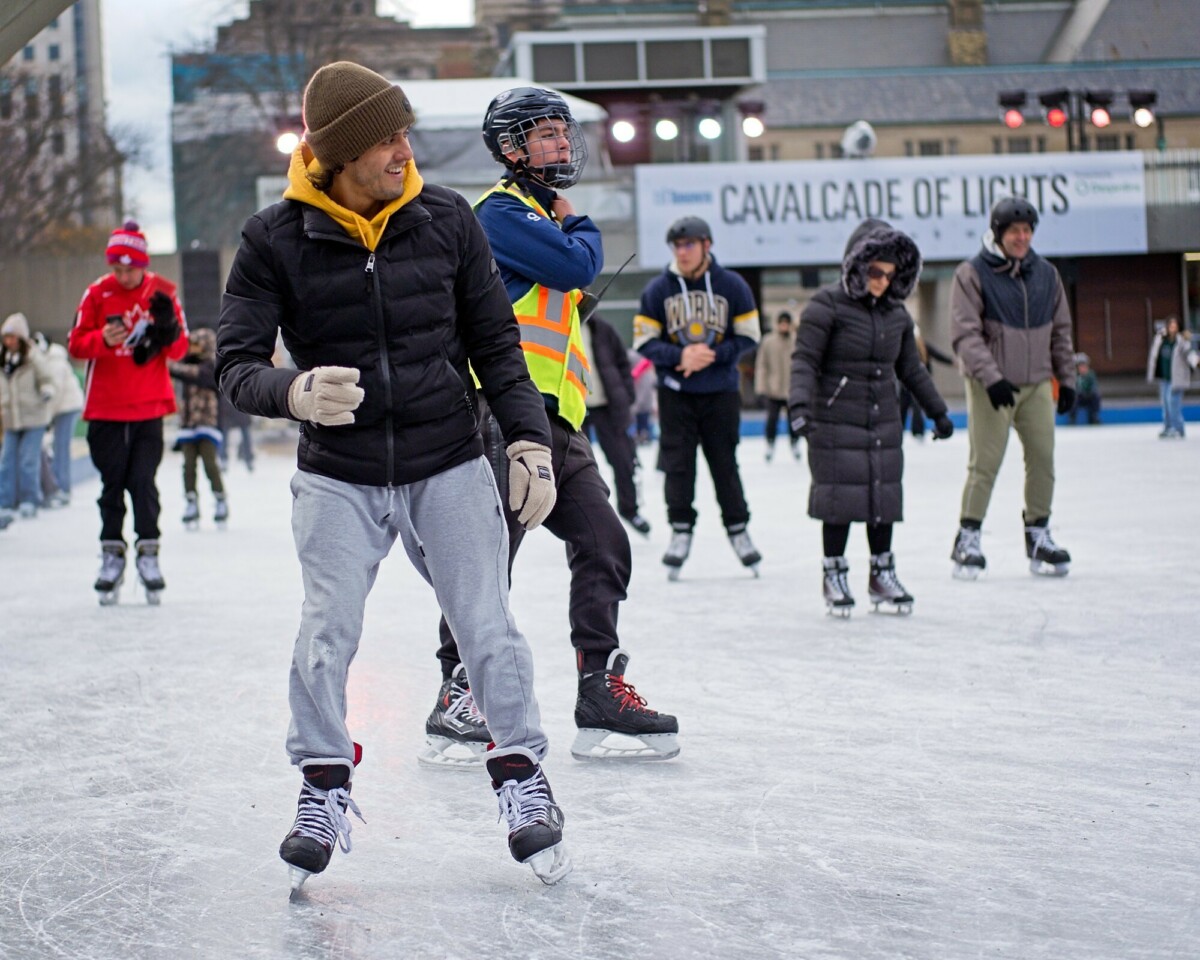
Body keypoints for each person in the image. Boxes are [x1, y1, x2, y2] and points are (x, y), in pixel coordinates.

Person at [215, 62, 570, 888]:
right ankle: (323, 784)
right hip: (337, 470)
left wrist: (527, 441)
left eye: (405, 134)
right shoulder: (274, 238)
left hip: (446, 455)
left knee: (486, 625)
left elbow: (497, 347)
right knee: (326, 629)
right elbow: (234, 367)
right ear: (340, 153)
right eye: (388, 140)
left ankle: (522, 776)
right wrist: (294, 391)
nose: (405, 152)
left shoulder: (446, 219)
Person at [423, 85, 677, 768]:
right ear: (511, 148)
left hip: (560, 420)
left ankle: (598, 685)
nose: (564, 145)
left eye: (566, 133)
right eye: (547, 134)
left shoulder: (539, 217)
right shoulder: (501, 214)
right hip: (501, 415)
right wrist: (579, 220)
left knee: (604, 542)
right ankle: (456, 689)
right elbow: (577, 264)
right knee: (487, 557)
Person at [789, 219, 953, 617]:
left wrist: (938, 412)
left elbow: (912, 370)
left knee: (883, 497)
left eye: (890, 272)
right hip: (833, 419)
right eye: (875, 271)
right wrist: (798, 408)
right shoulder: (825, 305)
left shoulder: (897, 315)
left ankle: (882, 573)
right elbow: (805, 361)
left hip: (882, 419)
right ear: (857, 265)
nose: (882, 280)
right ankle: (834, 574)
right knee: (838, 499)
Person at [949, 196, 1077, 579]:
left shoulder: (1046, 274)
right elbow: (965, 335)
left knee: (1043, 459)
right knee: (985, 463)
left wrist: (1066, 378)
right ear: (998, 233)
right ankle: (967, 538)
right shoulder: (971, 274)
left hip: (1036, 383)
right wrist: (991, 378)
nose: (1022, 238)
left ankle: (1038, 533)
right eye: (1014, 231)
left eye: (1027, 231)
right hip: (992, 385)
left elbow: (1061, 332)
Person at [634, 216, 763, 579]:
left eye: (689, 244)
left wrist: (714, 355)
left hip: (721, 392)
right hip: (676, 395)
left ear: (707, 245)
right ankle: (680, 530)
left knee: (725, 463)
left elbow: (750, 334)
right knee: (678, 465)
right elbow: (644, 341)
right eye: (677, 245)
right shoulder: (657, 290)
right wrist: (680, 357)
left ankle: (738, 529)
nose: (683, 251)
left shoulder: (732, 285)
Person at [67, 222, 188, 603]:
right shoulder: (97, 293)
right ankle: (112, 554)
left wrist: (168, 328)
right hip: (105, 408)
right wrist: (101, 339)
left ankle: (149, 553)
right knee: (112, 485)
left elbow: (181, 350)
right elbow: (75, 345)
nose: (123, 276)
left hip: (149, 405)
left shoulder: (163, 292)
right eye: (117, 269)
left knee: (143, 482)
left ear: (143, 264)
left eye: (130, 269)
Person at [581, 312, 650, 535]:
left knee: (623, 460)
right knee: (580, 468)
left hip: (608, 406)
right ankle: (588, 517)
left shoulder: (602, 327)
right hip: (573, 410)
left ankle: (631, 510)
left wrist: (626, 395)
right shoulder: (558, 326)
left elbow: (622, 362)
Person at [167, 327, 227, 527]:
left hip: (207, 424)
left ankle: (220, 499)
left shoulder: (212, 367)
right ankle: (191, 501)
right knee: (188, 466)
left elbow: (196, 375)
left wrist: (169, 365)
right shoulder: (186, 363)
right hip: (188, 425)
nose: (191, 348)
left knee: (210, 465)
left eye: (196, 344)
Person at [0, 312, 55, 527]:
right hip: (12, 418)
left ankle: (30, 499)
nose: (9, 341)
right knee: (6, 460)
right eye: (6, 337)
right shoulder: (3, 359)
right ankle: (5, 501)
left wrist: (46, 391)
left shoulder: (33, 357)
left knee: (28, 461)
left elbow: (47, 379)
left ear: (21, 338)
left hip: (33, 416)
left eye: (13, 337)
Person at [38, 333, 84, 506]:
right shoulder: (49, 360)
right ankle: (59, 487)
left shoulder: (54, 362)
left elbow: (54, 393)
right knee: (58, 447)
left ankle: (62, 489)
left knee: (61, 447)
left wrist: (46, 419)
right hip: (62, 408)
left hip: (67, 408)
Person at [754, 310, 801, 463]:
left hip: (792, 389)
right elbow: (762, 365)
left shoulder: (796, 341)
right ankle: (770, 444)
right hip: (773, 389)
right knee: (772, 420)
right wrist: (761, 387)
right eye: (782, 323)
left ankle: (795, 444)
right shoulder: (768, 342)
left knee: (793, 420)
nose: (784, 326)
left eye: (786, 324)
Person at [898, 325, 953, 439]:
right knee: (904, 407)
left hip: (915, 383)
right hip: (906, 383)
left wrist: (951, 361)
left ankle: (915, 431)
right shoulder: (903, 346)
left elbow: (938, 355)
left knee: (912, 407)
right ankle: (907, 431)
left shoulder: (923, 347)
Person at [1146, 317, 1195, 439]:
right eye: (1170, 326)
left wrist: (1196, 361)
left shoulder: (1181, 342)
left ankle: (1178, 428)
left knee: (1173, 403)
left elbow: (1190, 354)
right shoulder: (1161, 339)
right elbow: (1154, 356)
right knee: (1165, 404)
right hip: (1164, 377)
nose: (1172, 329)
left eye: (1175, 326)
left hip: (1176, 379)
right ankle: (1168, 427)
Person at [629, 348, 657, 444]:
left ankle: (643, 434)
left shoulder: (646, 371)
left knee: (642, 412)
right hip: (639, 403)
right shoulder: (633, 355)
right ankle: (640, 434)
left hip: (643, 404)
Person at [1068, 352, 1102, 426]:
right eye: (1080, 366)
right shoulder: (1075, 376)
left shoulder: (1091, 375)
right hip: (1079, 397)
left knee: (1096, 396)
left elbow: (1094, 386)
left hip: (1088, 396)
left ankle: (1094, 416)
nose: (1082, 368)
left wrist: (1090, 392)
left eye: (1084, 366)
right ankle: (1072, 418)